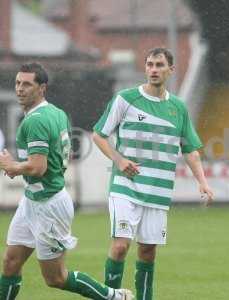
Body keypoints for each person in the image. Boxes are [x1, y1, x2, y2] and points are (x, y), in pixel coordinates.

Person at [0, 63, 132, 300]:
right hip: (32, 200)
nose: (20, 88)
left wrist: (12, 167)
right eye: (18, 83)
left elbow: (38, 167)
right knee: (10, 262)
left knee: (56, 278)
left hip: (48, 205)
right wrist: (19, 167)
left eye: (27, 84)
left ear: (42, 88)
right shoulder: (56, 112)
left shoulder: (35, 121)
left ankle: (115, 297)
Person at [92, 47, 214, 300]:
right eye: (149, 64)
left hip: (158, 191)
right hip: (126, 186)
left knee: (148, 251)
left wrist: (202, 181)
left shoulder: (178, 108)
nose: (153, 70)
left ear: (171, 70)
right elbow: (98, 135)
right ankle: (110, 296)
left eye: (159, 65)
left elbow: (190, 149)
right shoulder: (125, 99)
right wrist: (119, 159)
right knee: (120, 246)